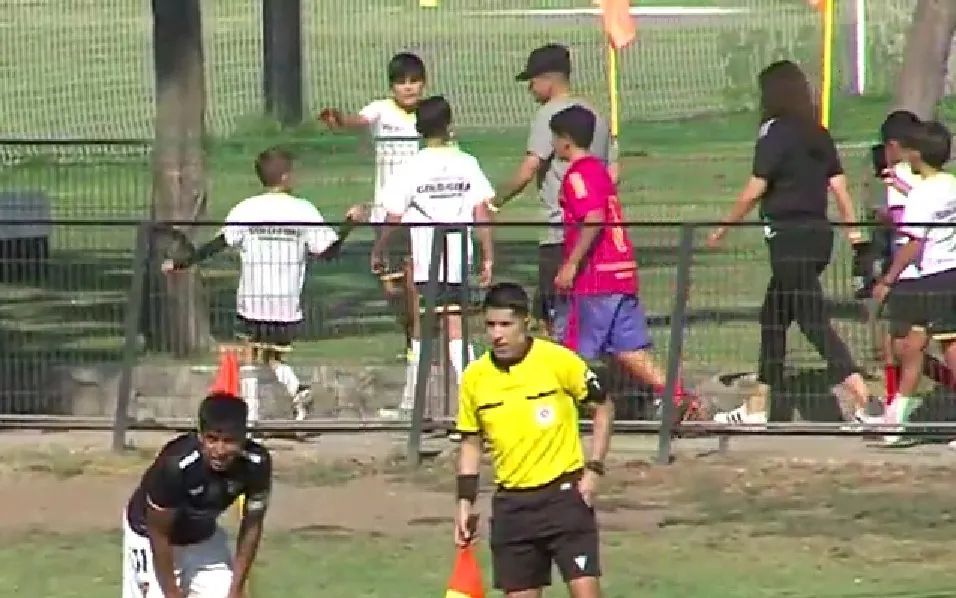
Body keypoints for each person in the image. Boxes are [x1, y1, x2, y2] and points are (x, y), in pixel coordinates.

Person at [706, 60, 876, 426]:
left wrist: (722, 227)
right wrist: (852, 230)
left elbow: (757, 186)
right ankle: (757, 408)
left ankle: (864, 399)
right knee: (773, 319)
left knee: (812, 320)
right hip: (818, 237)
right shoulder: (818, 132)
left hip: (789, 239)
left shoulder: (775, 134)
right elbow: (839, 187)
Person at [162, 147, 366, 424]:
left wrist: (182, 263)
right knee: (269, 354)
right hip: (287, 303)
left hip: (254, 298)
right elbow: (327, 251)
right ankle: (296, 389)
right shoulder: (302, 209)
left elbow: (218, 243)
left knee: (251, 355)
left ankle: (252, 417)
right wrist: (349, 224)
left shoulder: (247, 208)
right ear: (285, 176)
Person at [454, 282, 611, 598]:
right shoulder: (475, 378)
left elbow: (603, 407)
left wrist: (594, 469)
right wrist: (464, 502)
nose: (497, 334)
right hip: (513, 508)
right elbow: (471, 443)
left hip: (564, 499)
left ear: (525, 322)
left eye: (505, 324)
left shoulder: (557, 360)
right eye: (490, 325)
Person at [548, 104, 701, 421]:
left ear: (565, 141)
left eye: (554, 138)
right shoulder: (599, 171)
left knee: (571, 346)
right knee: (626, 348)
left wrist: (572, 263)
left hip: (596, 277)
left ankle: (559, 410)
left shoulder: (577, 176)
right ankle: (676, 395)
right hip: (622, 271)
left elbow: (593, 216)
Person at [371, 95, 495, 415]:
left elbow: (394, 214)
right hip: (458, 259)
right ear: (449, 124)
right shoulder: (466, 162)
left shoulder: (412, 166)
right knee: (457, 329)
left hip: (427, 261)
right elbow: (482, 209)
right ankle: (474, 405)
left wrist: (380, 248)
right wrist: (487, 255)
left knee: (422, 331)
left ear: (418, 128)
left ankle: (413, 407)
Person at [490, 44, 613, 335]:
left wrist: (494, 202)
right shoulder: (596, 114)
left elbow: (531, 166)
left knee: (552, 314)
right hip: (595, 231)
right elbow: (613, 171)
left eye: (532, 81)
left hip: (561, 230)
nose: (530, 89)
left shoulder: (551, 115)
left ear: (549, 79)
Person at [318, 52, 426, 364]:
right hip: (386, 213)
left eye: (414, 82)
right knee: (393, 289)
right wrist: (338, 119)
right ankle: (409, 328)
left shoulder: (429, 115)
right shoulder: (381, 110)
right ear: (392, 86)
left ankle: (417, 344)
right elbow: (358, 121)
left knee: (413, 281)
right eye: (401, 83)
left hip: (418, 215)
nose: (408, 88)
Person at [122, 393, 272, 598]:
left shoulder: (257, 463)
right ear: (200, 436)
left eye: (229, 441)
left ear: (244, 437)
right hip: (149, 536)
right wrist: (171, 592)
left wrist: (236, 589)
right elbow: (158, 532)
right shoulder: (176, 464)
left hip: (202, 536)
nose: (219, 450)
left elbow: (252, 525)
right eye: (212, 439)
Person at [873, 120, 956, 446]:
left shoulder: (923, 193)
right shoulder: (949, 185)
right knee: (912, 346)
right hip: (950, 272)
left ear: (917, 153)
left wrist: (889, 278)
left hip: (935, 276)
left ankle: (896, 420)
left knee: (947, 349)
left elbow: (913, 242)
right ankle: (896, 420)